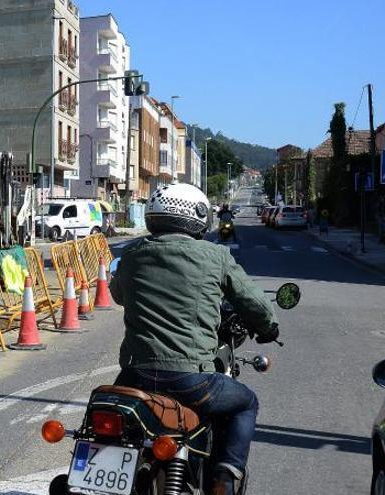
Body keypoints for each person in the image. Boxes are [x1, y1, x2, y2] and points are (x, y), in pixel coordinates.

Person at [109, 183, 279, 495]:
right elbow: (254, 303)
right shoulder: (215, 256)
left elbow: (118, 295)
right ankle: (225, 478)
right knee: (246, 403)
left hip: (135, 374)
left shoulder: (132, 254)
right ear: (198, 218)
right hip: (191, 379)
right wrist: (269, 328)